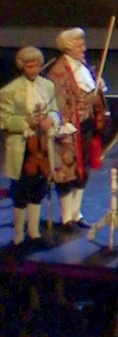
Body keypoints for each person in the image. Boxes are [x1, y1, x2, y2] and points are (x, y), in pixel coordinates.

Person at [46, 27, 107, 230]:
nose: (84, 48)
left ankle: (76, 213)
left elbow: (90, 93)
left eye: (83, 43)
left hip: (87, 126)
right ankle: (66, 217)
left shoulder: (83, 67)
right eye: (79, 44)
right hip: (70, 129)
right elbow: (58, 100)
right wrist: (64, 125)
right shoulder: (59, 71)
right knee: (67, 172)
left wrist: (99, 90)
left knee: (83, 171)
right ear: (68, 47)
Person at [1, 47, 61, 250]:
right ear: (22, 66)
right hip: (22, 147)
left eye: (36, 64)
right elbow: (4, 119)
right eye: (29, 65)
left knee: (38, 189)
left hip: (42, 146)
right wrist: (27, 121)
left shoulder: (48, 86)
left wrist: (49, 121)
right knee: (20, 191)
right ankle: (18, 235)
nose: (33, 68)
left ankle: (34, 232)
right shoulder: (9, 91)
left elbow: (55, 112)